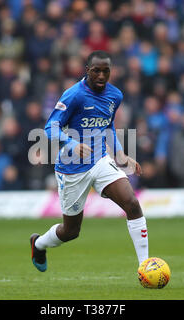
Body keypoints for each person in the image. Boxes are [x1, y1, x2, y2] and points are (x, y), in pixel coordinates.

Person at [30, 50, 147, 272]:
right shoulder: (73, 95)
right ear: (87, 71)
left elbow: (108, 126)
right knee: (71, 232)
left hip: (100, 161)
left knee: (132, 203)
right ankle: (38, 244)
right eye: (96, 71)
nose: (101, 76)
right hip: (72, 170)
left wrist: (120, 154)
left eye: (106, 71)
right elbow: (50, 128)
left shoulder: (115, 95)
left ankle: (145, 266)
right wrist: (73, 144)